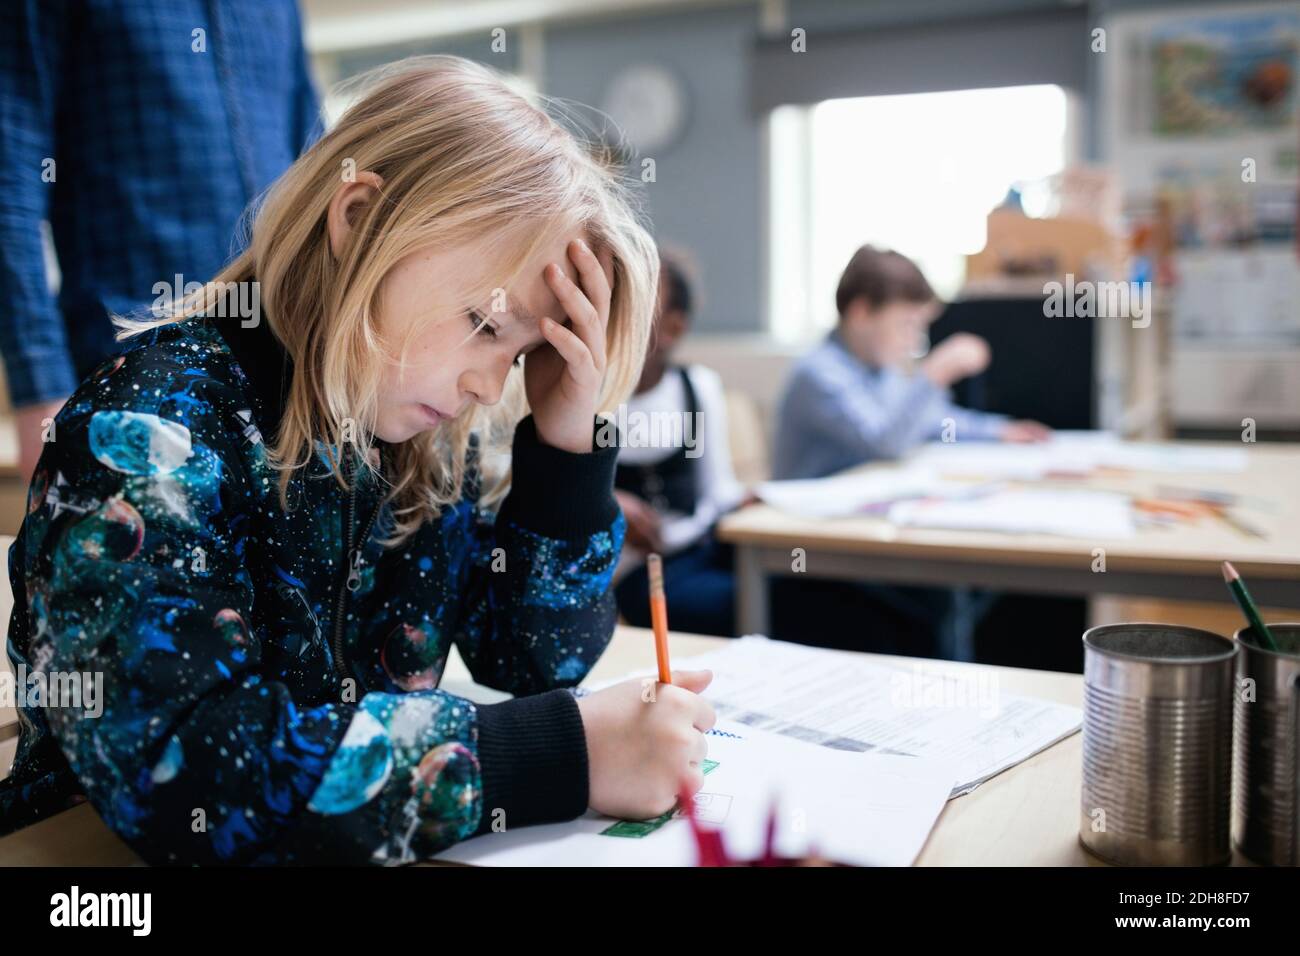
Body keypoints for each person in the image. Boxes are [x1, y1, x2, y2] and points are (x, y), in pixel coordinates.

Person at [1, 56, 719, 864]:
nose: (490, 386)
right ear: (360, 219)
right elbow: (190, 774)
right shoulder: (151, 426)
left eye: (519, 356)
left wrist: (567, 445)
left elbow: (535, 660)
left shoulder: (422, 443)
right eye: (484, 324)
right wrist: (555, 756)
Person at [0, 0, 322, 482]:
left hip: (285, 376)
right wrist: (39, 387)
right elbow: (10, 183)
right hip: (129, 385)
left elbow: (316, 169)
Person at [772, 245, 1049, 481]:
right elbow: (886, 444)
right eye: (906, 324)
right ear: (861, 313)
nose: (914, 340)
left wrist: (998, 431)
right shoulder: (819, 374)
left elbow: (932, 421)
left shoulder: (881, 371)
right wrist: (934, 373)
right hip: (797, 520)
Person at [612, 250, 748, 637]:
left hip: (699, 549)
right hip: (638, 574)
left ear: (673, 327)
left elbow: (717, 491)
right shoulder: (587, 398)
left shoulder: (697, 388)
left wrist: (752, 500)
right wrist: (606, 501)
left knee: (798, 586)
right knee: (745, 604)